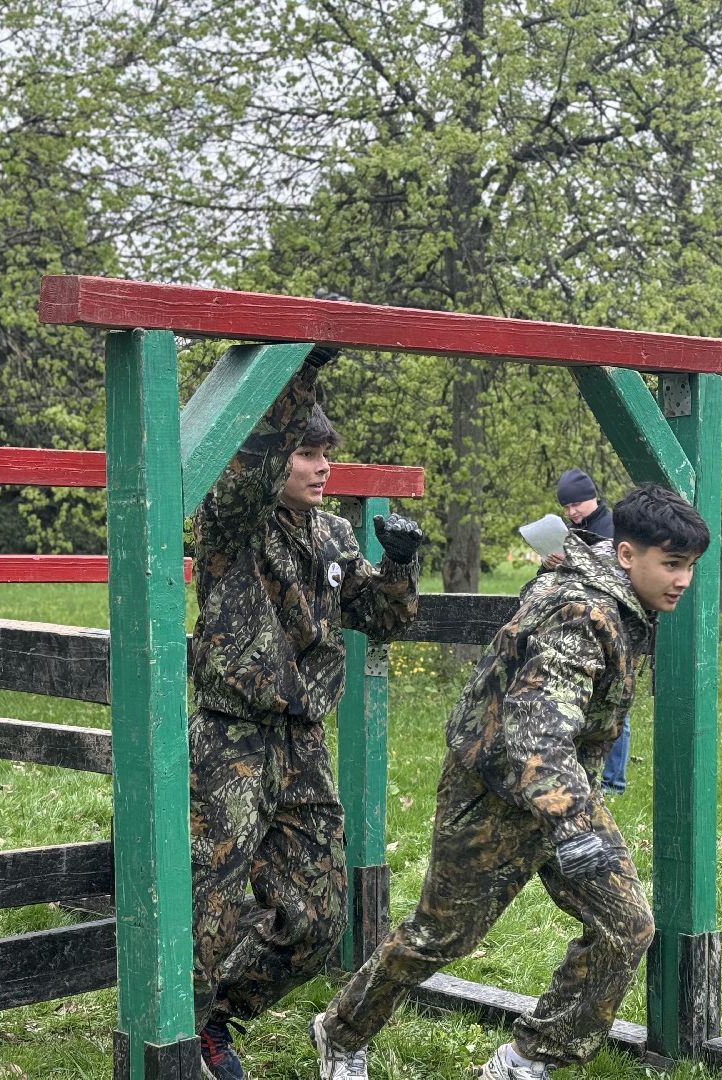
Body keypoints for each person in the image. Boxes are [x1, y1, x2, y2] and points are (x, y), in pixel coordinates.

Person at [311, 484, 710, 1080]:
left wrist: (572, 815)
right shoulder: (585, 614)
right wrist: (575, 829)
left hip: (561, 791)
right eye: (671, 564)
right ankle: (341, 1032)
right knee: (440, 937)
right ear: (626, 555)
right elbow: (535, 731)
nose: (682, 580)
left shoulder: (612, 593)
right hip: (493, 791)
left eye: (690, 567)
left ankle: (527, 1058)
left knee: (626, 927)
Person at [188, 346, 424, 1080]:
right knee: (212, 903)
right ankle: (184, 1037)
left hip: (303, 740)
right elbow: (245, 471)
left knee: (318, 919)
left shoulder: (333, 535)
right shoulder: (231, 525)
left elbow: (380, 620)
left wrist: (400, 568)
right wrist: (300, 365)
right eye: (306, 453)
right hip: (233, 736)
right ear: (274, 459)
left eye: (328, 454)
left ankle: (217, 1014)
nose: (323, 468)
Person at [541, 468, 628, 795]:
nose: (572, 511)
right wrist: (550, 564)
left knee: (614, 705)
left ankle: (613, 784)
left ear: (592, 497)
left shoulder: (613, 528)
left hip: (612, 623)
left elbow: (614, 576)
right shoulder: (568, 530)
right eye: (566, 507)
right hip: (578, 624)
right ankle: (585, 778)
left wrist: (573, 559)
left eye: (576, 504)